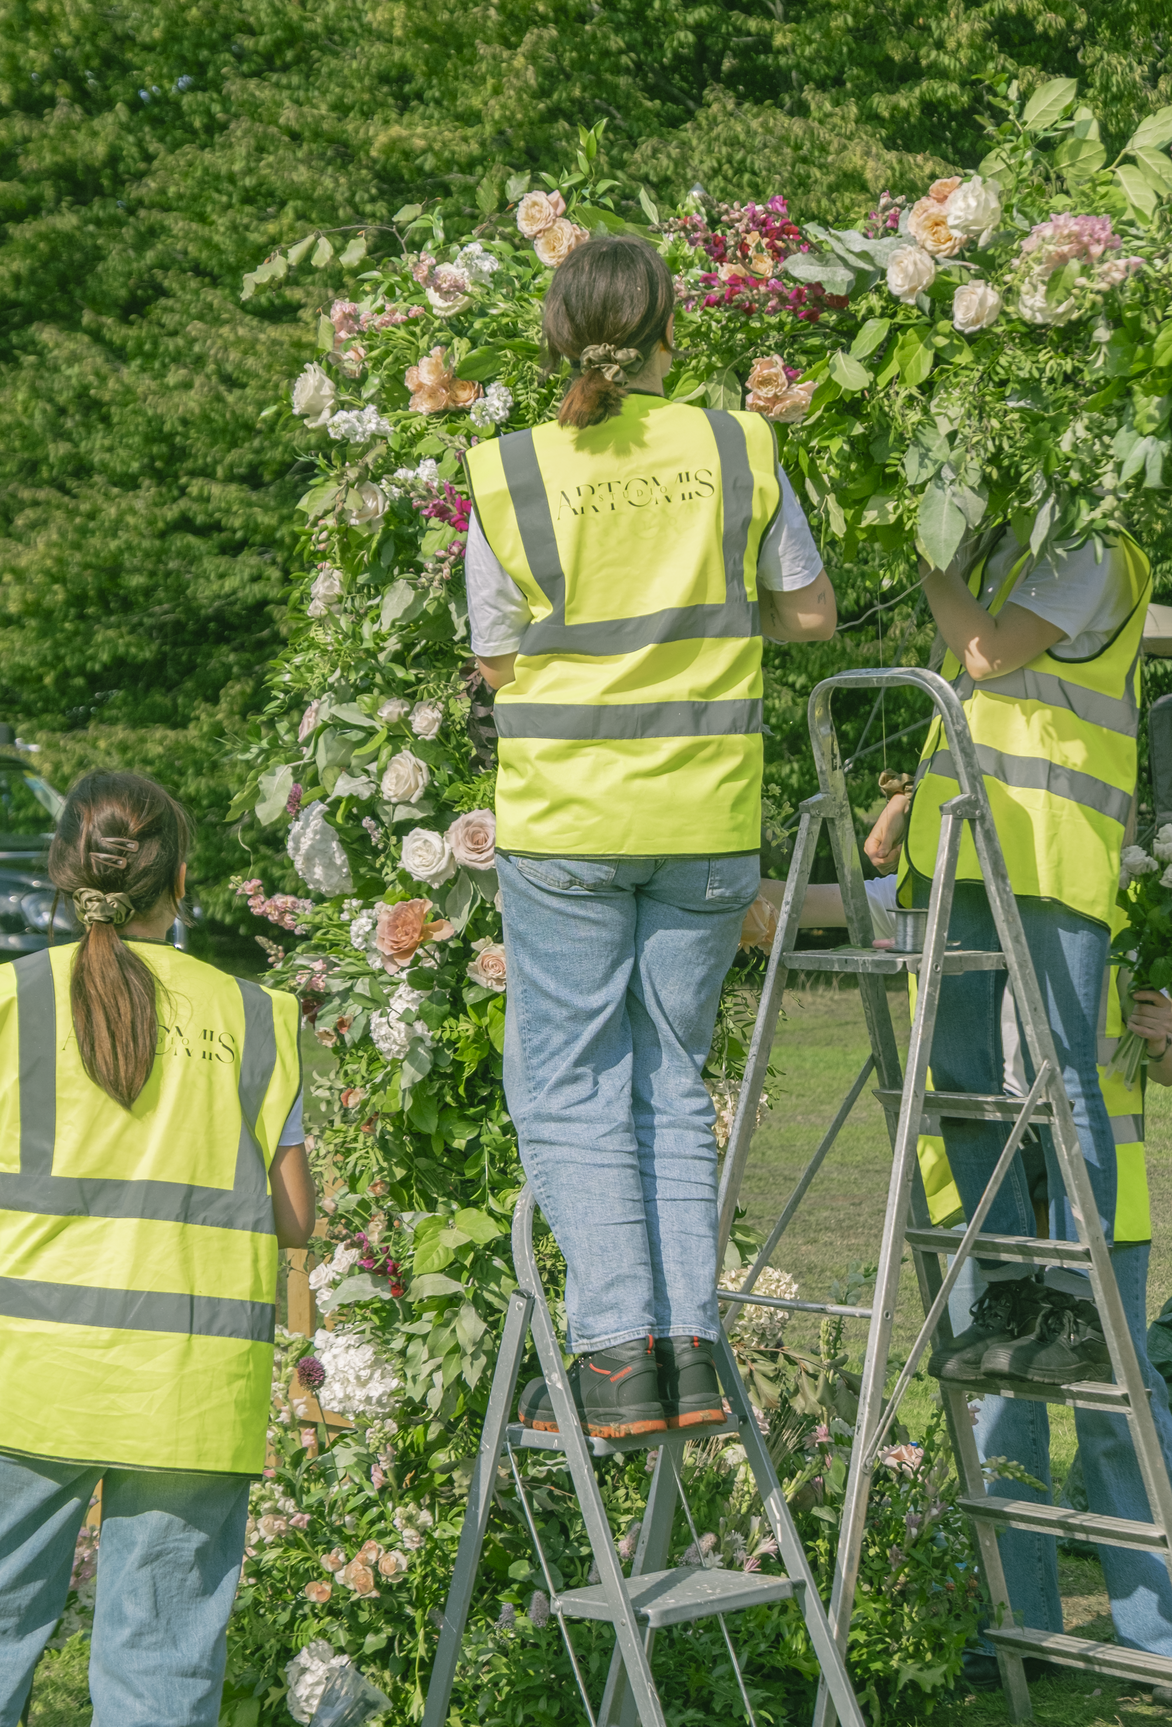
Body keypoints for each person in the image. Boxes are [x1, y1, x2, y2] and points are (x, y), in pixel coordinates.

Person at [463, 234, 836, 1439]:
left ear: (557, 337)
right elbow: (811, 613)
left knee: (570, 1085)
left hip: (568, 818)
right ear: (673, 331)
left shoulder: (512, 471)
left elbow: (497, 654)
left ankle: (620, 1353)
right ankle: (693, 1353)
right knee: (672, 1081)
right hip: (707, 814)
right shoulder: (738, 444)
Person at [877, 528, 1172, 1667]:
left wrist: (929, 563)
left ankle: (1149, 1637)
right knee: (999, 1389)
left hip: (1048, 863)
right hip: (971, 868)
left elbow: (989, 660)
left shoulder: (1095, 549)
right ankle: (1021, 1633)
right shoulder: (1005, 543)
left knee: (1108, 1393)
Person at [0, 770, 313, 1727]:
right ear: (182, 881)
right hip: (192, 1384)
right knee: (163, 1656)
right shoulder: (254, 1014)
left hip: (25, 1373)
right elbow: (296, 1216)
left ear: (61, 870)